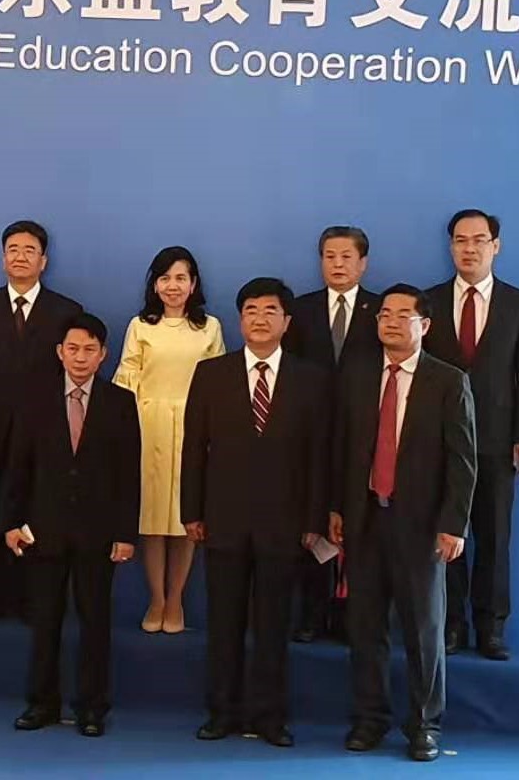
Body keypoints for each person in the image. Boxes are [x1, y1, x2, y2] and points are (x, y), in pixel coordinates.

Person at [332, 284, 477, 762]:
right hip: (365, 518)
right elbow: (342, 448)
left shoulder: (448, 381)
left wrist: (453, 524)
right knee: (365, 627)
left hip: (422, 525)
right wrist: (336, 508)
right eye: (384, 315)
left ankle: (424, 725)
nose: (390, 322)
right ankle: (369, 719)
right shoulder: (357, 375)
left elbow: (463, 461)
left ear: (425, 325)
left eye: (402, 315)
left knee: (423, 630)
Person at [181, 278, 329, 748]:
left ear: (287, 321)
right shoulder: (212, 373)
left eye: (270, 311)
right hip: (222, 519)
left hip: (285, 524)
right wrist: (191, 510)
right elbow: (193, 449)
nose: (259, 319)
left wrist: (313, 520)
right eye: (250, 310)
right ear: (240, 319)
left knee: (273, 626)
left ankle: (270, 717)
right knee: (223, 624)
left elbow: (319, 457)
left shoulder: (311, 379)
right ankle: (221, 712)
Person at [2, 313, 139, 739]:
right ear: (60, 352)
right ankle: (41, 703)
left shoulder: (120, 402)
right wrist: (11, 521)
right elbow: (18, 465)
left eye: (90, 350)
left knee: (95, 623)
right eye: (73, 349)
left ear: (103, 355)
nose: (81, 357)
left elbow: (129, 474)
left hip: (99, 534)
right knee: (45, 620)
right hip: (44, 529)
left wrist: (125, 533)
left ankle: (92, 708)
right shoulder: (34, 399)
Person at [425, 210, 519, 661]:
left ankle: (491, 627)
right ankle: (451, 624)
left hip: (497, 440)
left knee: (494, 537)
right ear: (450, 246)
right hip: (439, 441)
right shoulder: (429, 301)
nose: (469, 248)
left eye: (478, 240)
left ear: (496, 246)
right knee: (446, 535)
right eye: (460, 240)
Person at [0, 221, 82, 622]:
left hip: (44, 433)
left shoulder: (66, 311)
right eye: (13, 249)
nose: (20, 256)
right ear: (3, 258)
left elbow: (72, 377)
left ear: (43, 261)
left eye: (29, 250)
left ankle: (32, 601)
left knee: (37, 514)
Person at [112, 246, 225, 633]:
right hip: (149, 426)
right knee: (153, 518)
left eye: (180, 278)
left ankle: (176, 599)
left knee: (185, 517)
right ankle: (156, 599)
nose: (173, 286)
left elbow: (218, 382)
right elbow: (127, 377)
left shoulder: (209, 327)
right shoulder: (140, 326)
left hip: (194, 427)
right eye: (165, 278)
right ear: (155, 285)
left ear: (193, 284)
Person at [281, 226, 381, 643]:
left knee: (360, 524)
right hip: (312, 431)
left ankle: (350, 616)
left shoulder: (381, 309)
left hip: (365, 433)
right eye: (329, 256)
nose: (337, 264)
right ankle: (311, 613)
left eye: (346, 257)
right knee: (312, 518)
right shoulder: (301, 310)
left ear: (363, 263)